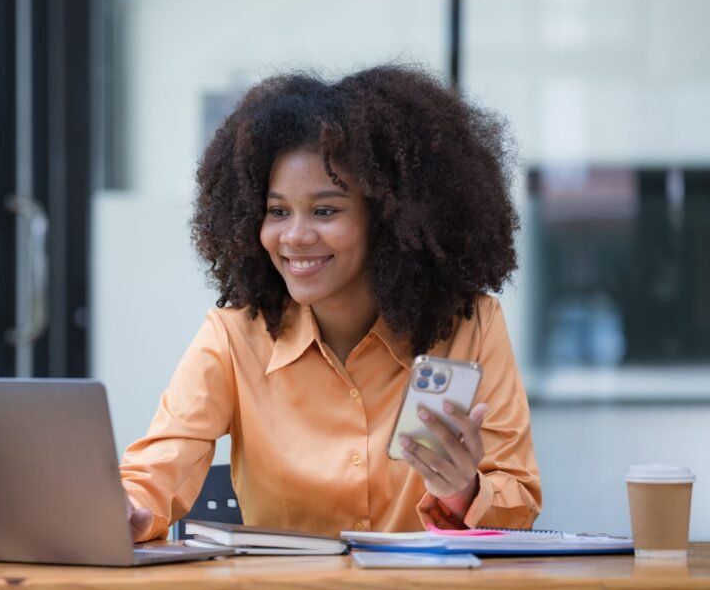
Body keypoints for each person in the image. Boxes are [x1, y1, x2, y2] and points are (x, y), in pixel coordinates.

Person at [120, 64, 541, 543]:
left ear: (387, 220)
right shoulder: (233, 337)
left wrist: (463, 492)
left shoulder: (470, 326)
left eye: (325, 210)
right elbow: (155, 472)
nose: (295, 236)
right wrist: (127, 510)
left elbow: (518, 506)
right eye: (278, 211)